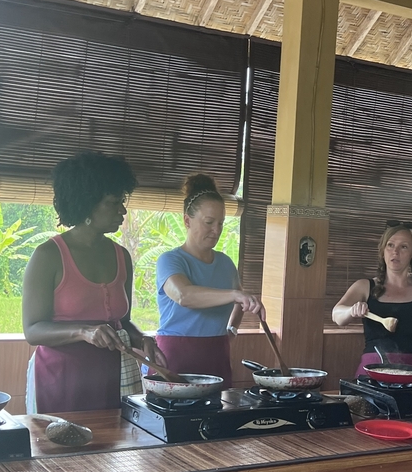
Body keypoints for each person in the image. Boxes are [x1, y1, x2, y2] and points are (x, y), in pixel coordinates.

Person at [22, 151, 164, 413]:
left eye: (122, 200)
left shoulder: (121, 256)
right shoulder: (48, 256)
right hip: (60, 379)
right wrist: (84, 331)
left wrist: (142, 339)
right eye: (113, 202)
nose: (123, 209)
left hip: (111, 377)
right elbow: (33, 331)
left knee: (113, 450)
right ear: (86, 204)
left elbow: (123, 321)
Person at [155, 173, 265, 386]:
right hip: (175, 355)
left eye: (221, 223)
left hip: (216, 355)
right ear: (187, 220)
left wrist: (231, 330)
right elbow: (184, 295)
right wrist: (234, 294)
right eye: (209, 222)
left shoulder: (225, 263)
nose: (216, 230)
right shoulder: (170, 260)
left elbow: (240, 302)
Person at [332, 220, 412, 376]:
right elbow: (337, 315)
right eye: (390, 245)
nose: (395, 252)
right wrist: (351, 311)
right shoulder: (364, 286)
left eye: (403, 247)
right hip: (373, 372)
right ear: (383, 251)